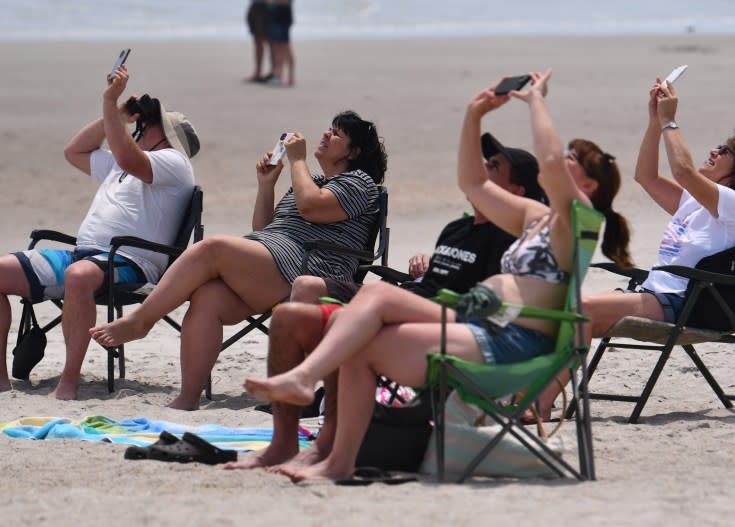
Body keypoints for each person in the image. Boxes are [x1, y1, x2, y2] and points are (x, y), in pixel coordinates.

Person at [243, 69, 622, 482]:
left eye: (572, 163)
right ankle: (336, 458)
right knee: (365, 328)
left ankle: (304, 379)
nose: (561, 163)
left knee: (376, 304)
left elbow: (547, 163)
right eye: (565, 157)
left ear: (587, 185)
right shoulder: (537, 218)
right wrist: (472, 115)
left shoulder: (579, 223)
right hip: (475, 322)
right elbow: (472, 182)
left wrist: (536, 101)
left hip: (512, 341)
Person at [228, 133, 542, 470]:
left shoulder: (514, 239)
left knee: (342, 320)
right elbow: (435, 284)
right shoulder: (457, 229)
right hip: (408, 299)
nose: (481, 171)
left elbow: (494, 304)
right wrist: (420, 274)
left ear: (517, 193)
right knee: (289, 317)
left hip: (442, 326)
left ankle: (328, 441)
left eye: (493, 167)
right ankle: (282, 444)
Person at [90, 111, 388, 410]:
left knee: (213, 248)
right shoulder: (312, 181)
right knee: (207, 297)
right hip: (277, 263)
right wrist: (266, 185)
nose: (326, 135)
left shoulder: (359, 183)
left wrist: (298, 161)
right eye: (329, 129)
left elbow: (311, 208)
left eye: (337, 134)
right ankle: (188, 399)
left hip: (313, 270)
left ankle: (142, 320)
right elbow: (266, 231)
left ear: (355, 151)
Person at [532, 75, 735, 419]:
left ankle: (539, 404)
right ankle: (529, 394)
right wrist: (654, 121)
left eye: (724, 151)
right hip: (655, 294)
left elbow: (681, 170)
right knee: (563, 307)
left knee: (580, 310)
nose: (713, 150)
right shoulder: (696, 202)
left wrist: (670, 119)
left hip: (680, 303)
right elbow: (645, 176)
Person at [0, 64, 199, 400]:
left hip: (132, 261)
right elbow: (75, 151)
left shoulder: (175, 163)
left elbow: (129, 158)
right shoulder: (124, 161)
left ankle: (68, 381)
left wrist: (108, 101)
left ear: (167, 135)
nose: (142, 125)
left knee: (79, 276)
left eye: (148, 122)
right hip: (84, 255)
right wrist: (115, 114)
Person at [268, 0, 295, 86]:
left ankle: (290, 78)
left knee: (285, 47)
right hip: (276, 14)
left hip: (284, 15)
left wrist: (273, 2)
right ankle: (278, 75)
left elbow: (287, 2)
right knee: (276, 47)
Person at [244, 0, 272, 83]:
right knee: (258, 41)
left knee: (272, 42)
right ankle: (258, 73)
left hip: (266, 6)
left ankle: (275, 73)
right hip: (256, 5)